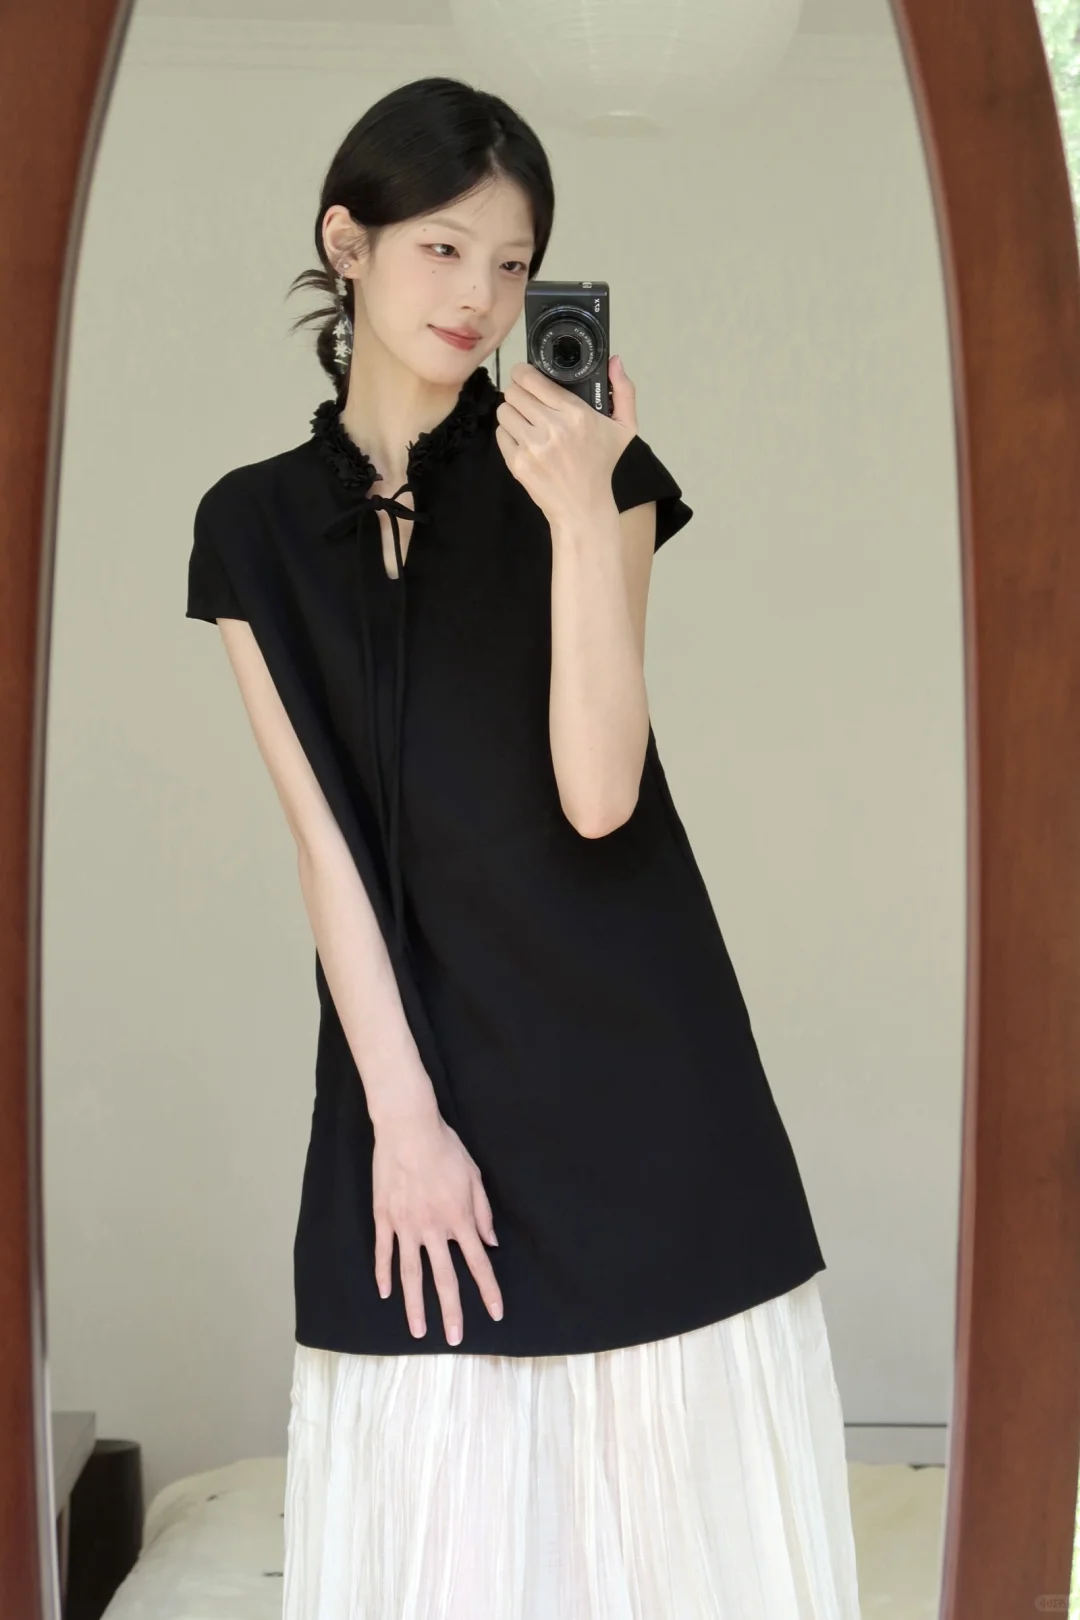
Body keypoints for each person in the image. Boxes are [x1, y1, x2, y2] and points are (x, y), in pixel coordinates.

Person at [186, 74, 862, 1620]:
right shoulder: (252, 529)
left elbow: (600, 791)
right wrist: (404, 1123)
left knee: (673, 1546)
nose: (480, 296)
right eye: (443, 248)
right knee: (448, 1538)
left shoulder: (592, 479)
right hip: (415, 1071)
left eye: (513, 262)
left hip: (643, 1069)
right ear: (347, 245)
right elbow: (325, 846)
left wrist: (574, 517)